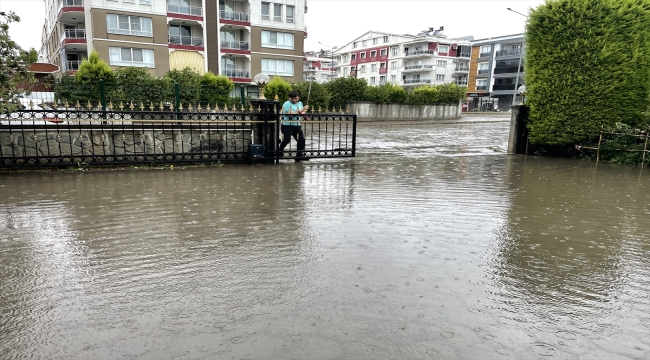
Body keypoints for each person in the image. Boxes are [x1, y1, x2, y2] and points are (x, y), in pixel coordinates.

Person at [280, 91, 309, 161]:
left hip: (296, 125)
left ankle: (299, 155)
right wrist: (300, 111)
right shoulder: (286, 104)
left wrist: (305, 116)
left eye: (296, 98)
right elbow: (289, 114)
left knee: (301, 140)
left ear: (298, 97)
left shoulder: (300, 103)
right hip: (287, 125)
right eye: (292, 99)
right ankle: (280, 151)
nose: (294, 100)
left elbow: (302, 112)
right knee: (287, 140)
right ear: (289, 98)